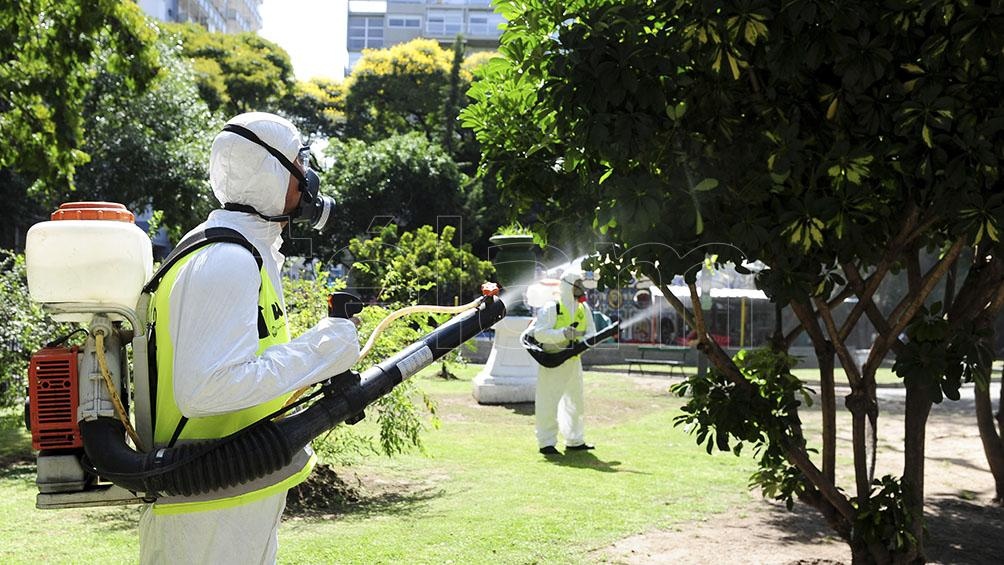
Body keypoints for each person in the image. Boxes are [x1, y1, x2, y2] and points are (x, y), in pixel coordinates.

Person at [139, 112, 361, 564]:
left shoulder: (239, 251)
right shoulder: (227, 259)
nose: (308, 179)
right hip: (206, 504)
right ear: (272, 172)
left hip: (232, 492)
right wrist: (324, 349)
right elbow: (208, 388)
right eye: (300, 164)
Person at [530, 270, 597, 455]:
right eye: (578, 284)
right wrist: (563, 334)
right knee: (548, 402)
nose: (581, 288)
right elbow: (540, 333)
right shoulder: (552, 308)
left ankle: (575, 440)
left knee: (575, 402)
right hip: (554, 360)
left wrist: (583, 341)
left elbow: (592, 332)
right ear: (568, 286)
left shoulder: (584, 309)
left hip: (574, 361)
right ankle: (546, 443)